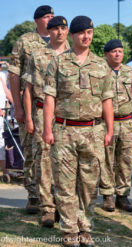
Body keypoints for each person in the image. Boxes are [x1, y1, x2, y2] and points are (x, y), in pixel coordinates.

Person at [43, 16, 114, 247]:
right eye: (82, 32)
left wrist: (109, 130)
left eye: (90, 32)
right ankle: (69, 230)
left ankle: (85, 228)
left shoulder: (101, 64)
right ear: (73, 35)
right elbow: (49, 98)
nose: (87, 37)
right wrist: (47, 129)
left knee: (90, 184)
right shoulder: (58, 63)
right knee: (64, 185)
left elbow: (107, 100)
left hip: (93, 131)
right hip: (64, 131)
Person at [22, 16, 70, 228]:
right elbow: (28, 90)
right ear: (48, 32)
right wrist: (30, 118)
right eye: (55, 29)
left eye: (63, 28)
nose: (60, 32)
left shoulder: (74, 54)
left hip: (68, 115)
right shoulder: (38, 55)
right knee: (44, 160)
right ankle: (47, 208)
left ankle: (64, 205)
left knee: (67, 160)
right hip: (42, 112)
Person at [8, 5, 54, 214]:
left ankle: (50, 195)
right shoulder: (25, 41)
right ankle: (33, 195)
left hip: (53, 108)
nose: (50, 19)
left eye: (52, 16)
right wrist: (18, 108)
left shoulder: (60, 42)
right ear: (37, 20)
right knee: (32, 152)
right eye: (46, 17)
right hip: (30, 105)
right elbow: (14, 75)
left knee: (53, 153)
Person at [99, 39, 132, 212]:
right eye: (114, 51)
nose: (117, 54)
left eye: (120, 51)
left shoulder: (130, 72)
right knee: (106, 159)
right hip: (107, 122)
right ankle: (107, 195)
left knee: (126, 159)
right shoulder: (99, 71)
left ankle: (123, 195)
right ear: (106, 54)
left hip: (127, 122)